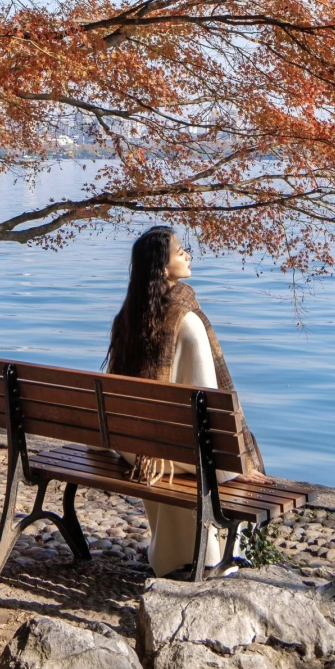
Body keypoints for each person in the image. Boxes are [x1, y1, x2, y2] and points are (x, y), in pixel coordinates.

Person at [106, 224, 264, 577]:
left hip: (134, 446)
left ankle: (172, 554)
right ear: (163, 268)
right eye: (181, 252)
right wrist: (243, 461)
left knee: (180, 450)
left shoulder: (127, 318)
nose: (188, 255)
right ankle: (217, 557)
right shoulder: (187, 321)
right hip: (170, 449)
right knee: (226, 463)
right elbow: (208, 401)